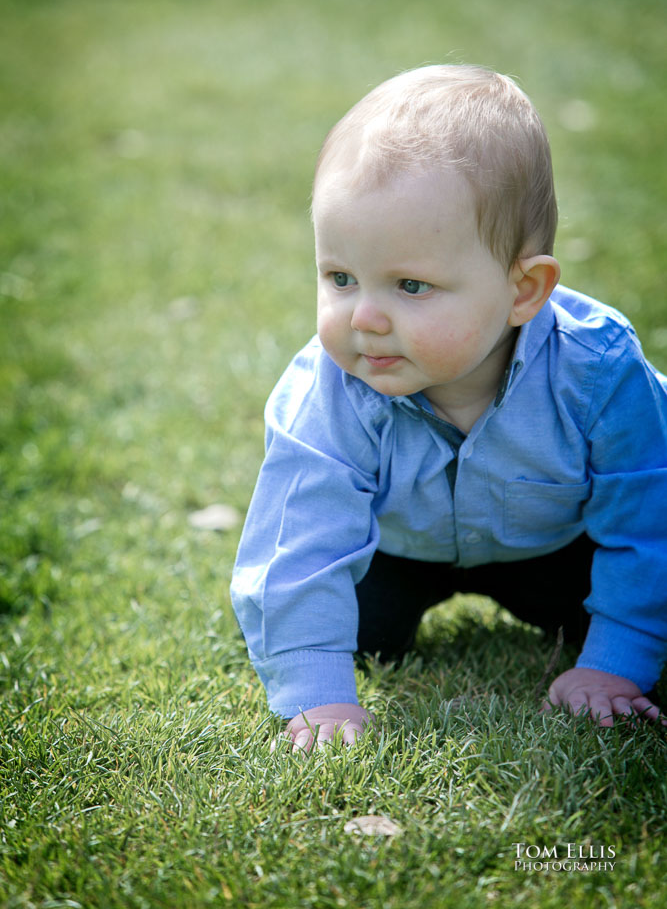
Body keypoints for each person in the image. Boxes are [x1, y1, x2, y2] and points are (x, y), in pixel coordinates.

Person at [231, 64, 667, 751]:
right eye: (340, 278)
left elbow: (650, 520)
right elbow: (300, 542)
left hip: (555, 546)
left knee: (627, 614)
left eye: (410, 285)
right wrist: (317, 698)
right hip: (395, 549)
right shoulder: (330, 387)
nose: (365, 317)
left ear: (523, 290)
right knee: (349, 631)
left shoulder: (599, 369)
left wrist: (615, 666)